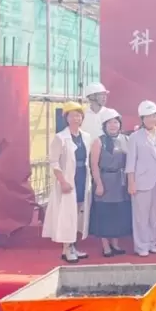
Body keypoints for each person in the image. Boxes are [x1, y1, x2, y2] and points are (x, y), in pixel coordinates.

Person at [42, 102, 92, 263]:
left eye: (79, 115)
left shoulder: (86, 136)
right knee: (67, 215)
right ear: (66, 118)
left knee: (77, 214)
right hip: (68, 180)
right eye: (72, 115)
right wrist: (62, 181)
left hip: (82, 177)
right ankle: (67, 248)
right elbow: (54, 162)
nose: (76, 118)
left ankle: (73, 246)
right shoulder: (60, 137)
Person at [88, 108, 131, 257]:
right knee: (104, 213)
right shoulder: (98, 141)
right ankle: (106, 246)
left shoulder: (126, 139)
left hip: (120, 182)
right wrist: (98, 183)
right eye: (110, 123)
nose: (113, 125)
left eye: (116, 122)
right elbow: (94, 165)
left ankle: (116, 244)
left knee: (118, 213)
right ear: (104, 125)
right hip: (105, 180)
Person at [126, 100, 156, 257]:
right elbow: (131, 162)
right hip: (140, 182)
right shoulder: (135, 137)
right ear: (142, 119)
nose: (151, 119)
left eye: (154, 116)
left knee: (152, 216)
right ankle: (141, 246)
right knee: (140, 217)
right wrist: (131, 182)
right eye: (147, 116)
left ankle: (151, 243)